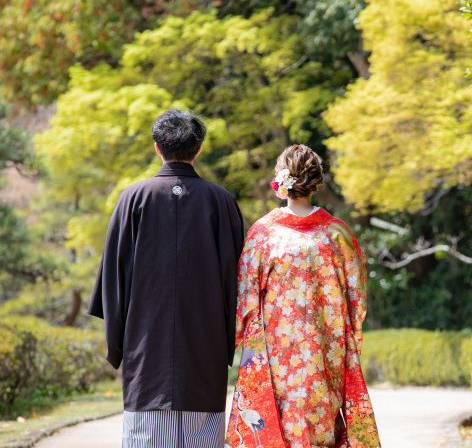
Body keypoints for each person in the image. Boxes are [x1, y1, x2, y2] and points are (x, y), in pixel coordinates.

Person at [88, 109, 245, 448]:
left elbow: (114, 281)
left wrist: (118, 343)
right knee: (203, 435)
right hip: (205, 344)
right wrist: (232, 339)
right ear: (199, 148)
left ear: (156, 147)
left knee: (146, 437)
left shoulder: (133, 198)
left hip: (146, 344)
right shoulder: (220, 200)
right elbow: (237, 281)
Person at [226, 144, 380, 448]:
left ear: (280, 182)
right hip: (326, 350)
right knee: (319, 424)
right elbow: (356, 297)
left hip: (276, 353)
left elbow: (244, 297)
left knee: (279, 427)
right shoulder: (337, 233)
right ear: (316, 182)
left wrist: (236, 339)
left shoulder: (264, 233)